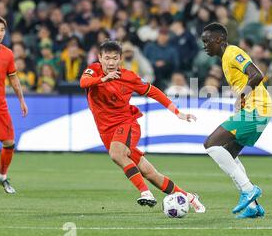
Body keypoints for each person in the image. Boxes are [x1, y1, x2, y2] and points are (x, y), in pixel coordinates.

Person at [80, 40, 205, 212]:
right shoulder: (93, 70)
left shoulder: (129, 77)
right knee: (150, 173)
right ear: (99, 58)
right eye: (107, 58)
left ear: (121, 59)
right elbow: (83, 83)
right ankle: (189, 197)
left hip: (127, 124)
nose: (110, 62)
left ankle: (145, 193)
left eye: (115, 58)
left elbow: (154, 92)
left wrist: (177, 112)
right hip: (106, 131)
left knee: (116, 154)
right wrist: (103, 79)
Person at [201, 23, 272, 219]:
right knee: (229, 153)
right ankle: (253, 207)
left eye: (207, 41)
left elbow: (257, 74)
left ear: (219, 40)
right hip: (257, 110)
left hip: (257, 109)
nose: (205, 46)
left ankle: (248, 190)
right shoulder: (225, 58)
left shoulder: (232, 52)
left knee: (211, 144)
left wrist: (242, 94)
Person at [0, 16, 28, 193]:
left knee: (9, 142)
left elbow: (14, 79)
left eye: (1, 30)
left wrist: (21, 100)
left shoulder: (7, 54)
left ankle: (1, 176)